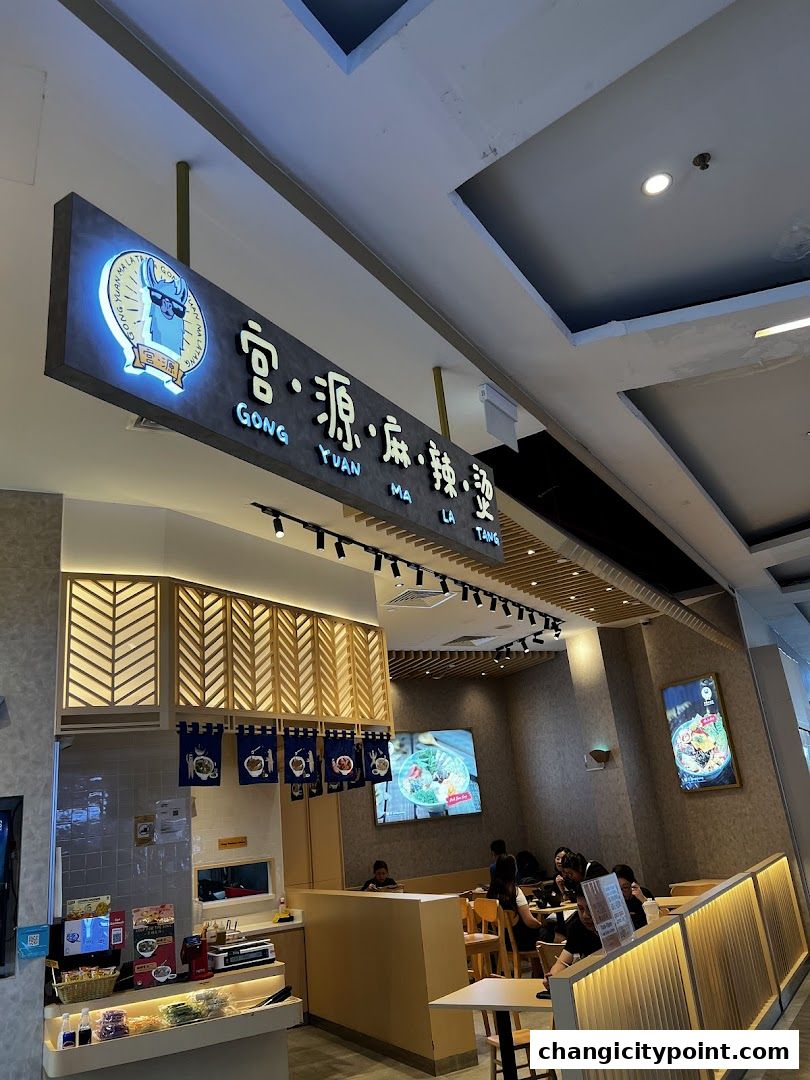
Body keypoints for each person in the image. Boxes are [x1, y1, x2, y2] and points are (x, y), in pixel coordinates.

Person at [487, 854, 545, 975]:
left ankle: (537, 974)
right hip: (521, 941)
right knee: (545, 934)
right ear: (514, 870)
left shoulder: (491, 893)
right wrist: (540, 924)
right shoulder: (515, 891)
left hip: (503, 940)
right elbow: (529, 921)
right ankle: (541, 975)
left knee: (538, 934)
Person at [543, 884, 602, 987]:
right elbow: (561, 963)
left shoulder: (617, 927)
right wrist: (553, 977)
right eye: (581, 909)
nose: (585, 915)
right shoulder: (576, 927)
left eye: (590, 909)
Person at [613, 863, 653, 930]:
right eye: (617, 888)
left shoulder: (644, 894)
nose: (621, 893)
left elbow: (656, 919)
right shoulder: (615, 900)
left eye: (625, 887)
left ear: (633, 884)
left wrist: (643, 899)